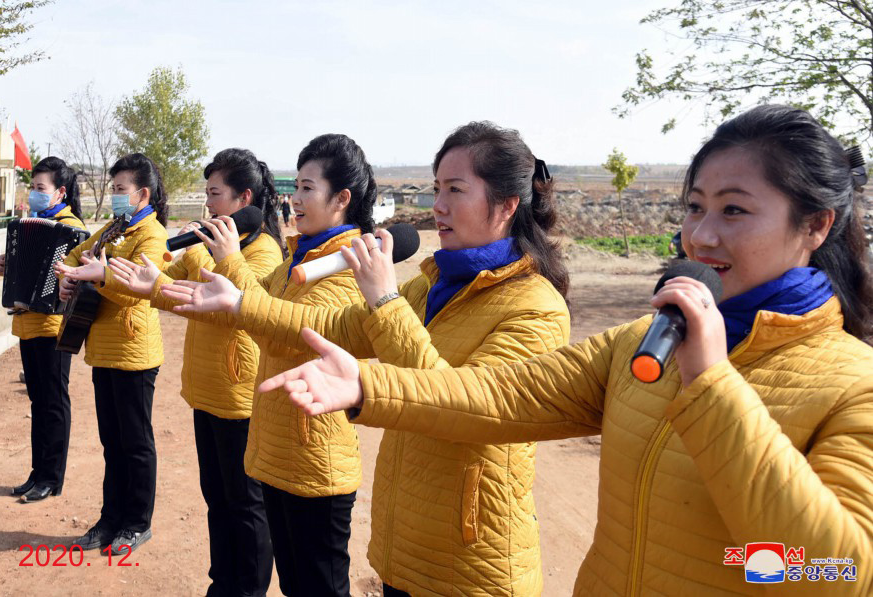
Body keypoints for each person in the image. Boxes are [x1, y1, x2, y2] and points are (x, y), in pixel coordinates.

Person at [267, 106, 873, 595]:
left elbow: (838, 573)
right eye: (695, 207)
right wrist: (369, 386)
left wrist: (712, 385)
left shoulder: (854, 385)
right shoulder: (640, 342)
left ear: (815, 225)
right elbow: (497, 394)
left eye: (734, 210)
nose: (701, 235)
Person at [157, 122, 572, 596]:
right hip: (407, 542)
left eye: (455, 190)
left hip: (471, 561)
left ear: (506, 204)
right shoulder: (433, 283)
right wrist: (239, 304)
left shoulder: (535, 307)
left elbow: (467, 409)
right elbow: (337, 329)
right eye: (437, 188)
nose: (436, 206)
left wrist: (384, 301)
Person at [147, 134, 376, 596]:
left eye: (308, 188)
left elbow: (301, 331)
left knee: (318, 586)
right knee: (292, 581)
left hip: (315, 454)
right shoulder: (301, 252)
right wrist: (150, 287)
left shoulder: (351, 263)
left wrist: (230, 263)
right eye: (297, 186)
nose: (295, 199)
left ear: (342, 198)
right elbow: (254, 306)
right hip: (276, 445)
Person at [107, 148, 282, 595]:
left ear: (244, 199)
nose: (209, 205)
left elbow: (233, 308)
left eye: (216, 195)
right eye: (206, 194)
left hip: (241, 396)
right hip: (206, 390)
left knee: (246, 505)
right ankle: (222, 583)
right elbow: (168, 273)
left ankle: (248, 589)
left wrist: (209, 257)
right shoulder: (206, 245)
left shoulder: (263, 252)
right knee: (217, 501)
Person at [54, 153, 169, 555]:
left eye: (121, 190)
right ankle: (110, 519)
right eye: (114, 188)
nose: (116, 196)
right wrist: (68, 279)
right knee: (112, 441)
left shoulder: (151, 235)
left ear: (143, 194)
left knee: (135, 443)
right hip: (102, 348)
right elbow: (74, 256)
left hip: (134, 352)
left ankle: (137, 523)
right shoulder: (114, 228)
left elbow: (137, 285)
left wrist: (97, 273)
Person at [0, 157, 86, 503]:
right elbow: (16, 263)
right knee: (38, 400)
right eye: (32, 187)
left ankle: (52, 476)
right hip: (27, 325)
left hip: (54, 327)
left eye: (40, 189)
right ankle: (37, 472)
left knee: (54, 402)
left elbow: (73, 276)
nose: (34, 194)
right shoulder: (31, 222)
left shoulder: (71, 228)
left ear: (60, 192)